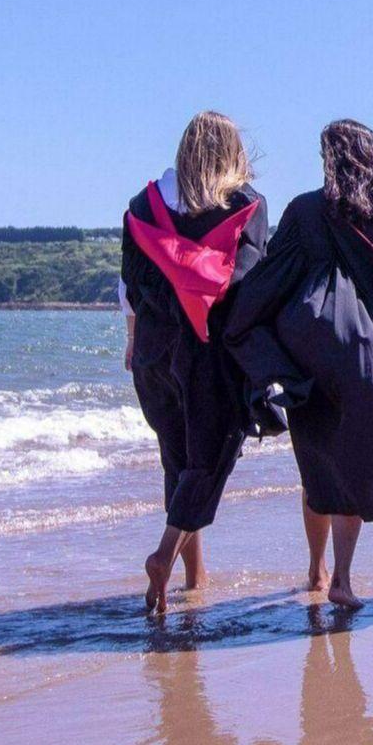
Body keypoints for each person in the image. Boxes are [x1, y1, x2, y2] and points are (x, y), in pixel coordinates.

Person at [221, 120, 373, 609]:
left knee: (319, 469)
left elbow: (269, 280)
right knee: (354, 466)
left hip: (310, 359)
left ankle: (315, 570)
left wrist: (248, 331)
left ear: (331, 160)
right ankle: (341, 576)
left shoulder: (304, 211)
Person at [119, 112, 273, 616]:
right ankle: (165, 556)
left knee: (177, 458)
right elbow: (250, 288)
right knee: (209, 461)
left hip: (154, 353)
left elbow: (130, 289)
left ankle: (194, 575)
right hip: (211, 352)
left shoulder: (142, 206)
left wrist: (132, 343)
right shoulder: (247, 205)